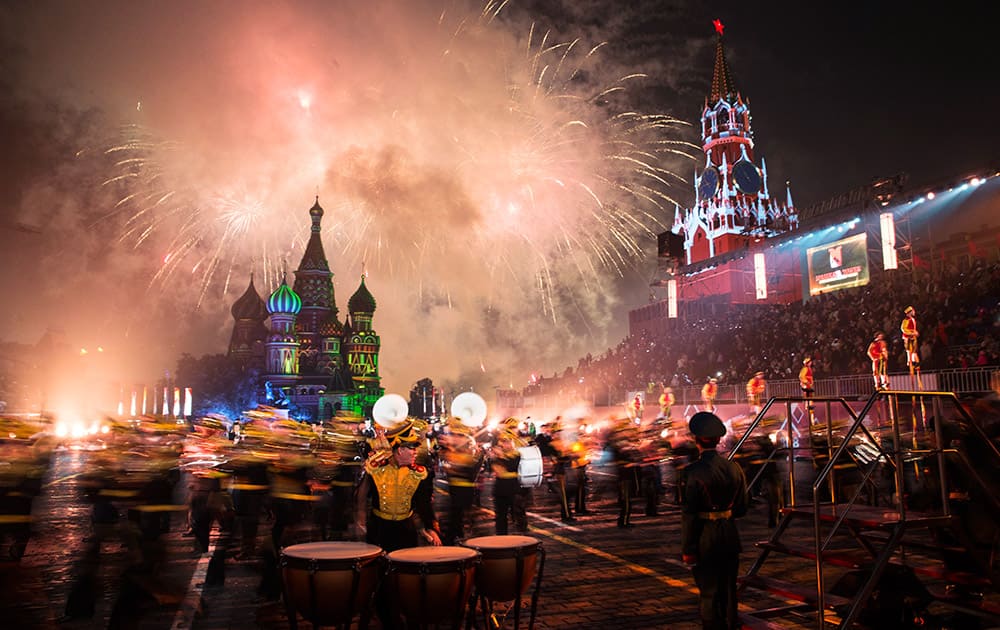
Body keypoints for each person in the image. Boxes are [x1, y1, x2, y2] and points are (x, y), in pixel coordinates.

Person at [681, 412, 749, 630]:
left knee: (709, 592)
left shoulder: (692, 471)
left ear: (696, 439)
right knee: (729, 590)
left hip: (705, 538)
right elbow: (742, 508)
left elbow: (690, 514)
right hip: (729, 535)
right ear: (719, 440)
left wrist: (688, 548)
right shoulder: (735, 467)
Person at [901, 305, 921, 376]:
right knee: (909, 350)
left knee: (914, 350)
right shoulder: (906, 320)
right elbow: (903, 329)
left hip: (913, 337)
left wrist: (915, 332)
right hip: (908, 338)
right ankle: (909, 361)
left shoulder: (912, 319)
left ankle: (914, 362)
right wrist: (912, 332)